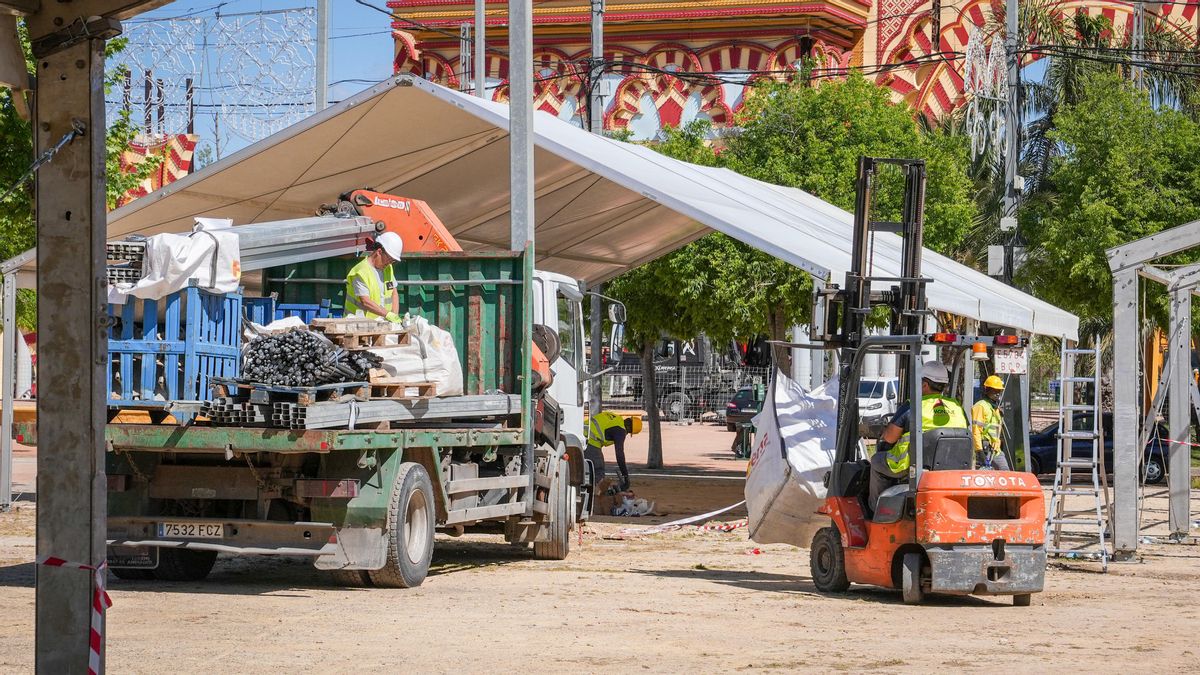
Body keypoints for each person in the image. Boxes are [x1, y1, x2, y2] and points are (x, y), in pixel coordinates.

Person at [869, 361, 968, 510]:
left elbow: (889, 438)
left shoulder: (912, 406)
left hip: (913, 466)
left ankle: (877, 510)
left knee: (877, 460)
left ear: (925, 385)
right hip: (950, 467)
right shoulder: (956, 406)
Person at [344, 231, 403, 321]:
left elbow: (394, 293)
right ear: (379, 252)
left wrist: (394, 315)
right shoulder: (361, 272)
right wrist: (388, 314)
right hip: (357, 325)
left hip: (380, 325)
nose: (390, 263)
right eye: (390, 259)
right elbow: (365, 301)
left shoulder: (388, 268)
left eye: (393, 261)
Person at [585, 410, 642, 491]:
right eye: (629, 432)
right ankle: (600, 496)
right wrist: (625, 475)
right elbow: (619, 454)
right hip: (590, 440)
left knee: (588, 467)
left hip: (582, 432)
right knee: (598, 469)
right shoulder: (620, 430)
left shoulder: (616, 418)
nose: (627, 433)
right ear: (629, 428)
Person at [972, 375, 1010, 471]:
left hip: (995, 449)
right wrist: (979, 451)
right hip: (985, 449)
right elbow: (976, 430)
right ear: (987, 390)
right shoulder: (980, 406)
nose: (997, 393)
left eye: (999, 391)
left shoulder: (994, 407)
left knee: (1005, 472)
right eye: (995, 390)